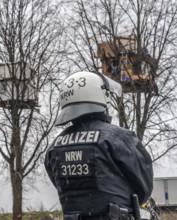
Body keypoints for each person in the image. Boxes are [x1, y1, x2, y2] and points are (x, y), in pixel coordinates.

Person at [44, 71, 153, 220]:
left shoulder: (54, 147)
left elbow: (62, 185)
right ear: (101, 96)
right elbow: (144, 188)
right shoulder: (120, 138)